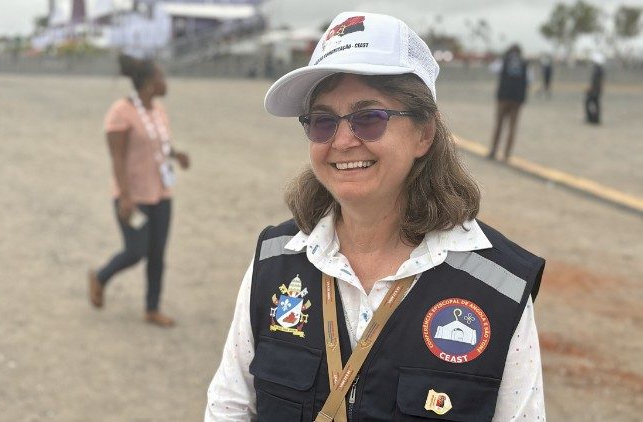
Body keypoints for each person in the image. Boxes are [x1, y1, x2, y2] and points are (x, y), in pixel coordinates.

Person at [206, 12, 545, 421]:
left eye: (369, 118)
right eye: (323, 122)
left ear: (424, 133)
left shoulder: (500, 286)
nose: (342, 141)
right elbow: (229, 406)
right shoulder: (275, 260)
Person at [88, 55, 190, 327]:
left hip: (161, 193)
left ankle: (152, 309)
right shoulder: (121, 112)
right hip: (133, 196)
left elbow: (159, 146)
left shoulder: (158, 111)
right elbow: (117, 157)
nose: (165, 82)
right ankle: (100, 277)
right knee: (135, 251)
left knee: (157, 254)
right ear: (148, 83)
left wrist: (176, 155)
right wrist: (125, 197)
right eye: (161, 77)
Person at [488, 44, 528, 161]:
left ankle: (494, 150)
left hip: (503, 97)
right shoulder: (524, 63)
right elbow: (530, 79)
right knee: (512, 127)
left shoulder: (503, 61)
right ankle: (507, 153)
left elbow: (492, 69)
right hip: (517, 99)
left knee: (499, 125)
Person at [585, 53, 604, 125]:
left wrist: (591, 89)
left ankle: (592, 118)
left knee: (589, 102)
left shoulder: (597, 69)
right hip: (597, 90)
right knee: (596, 104)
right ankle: (595, 118)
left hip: (595, 90)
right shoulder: (600, 69)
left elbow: (595, 81)